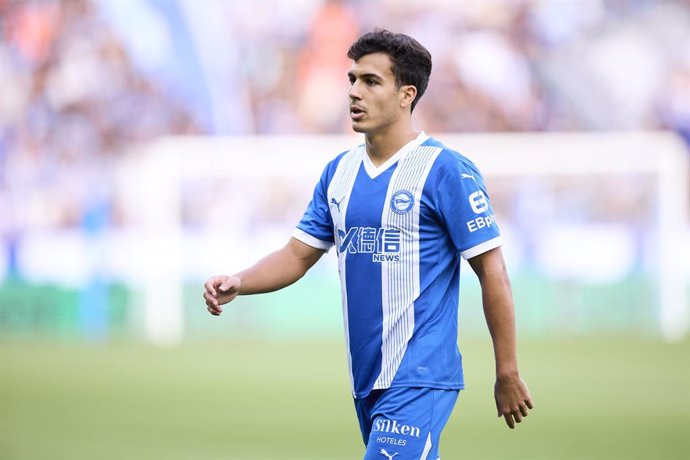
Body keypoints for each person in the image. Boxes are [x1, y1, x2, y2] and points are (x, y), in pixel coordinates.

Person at [203, 29, 533, 459]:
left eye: (371, 81)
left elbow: (493, 271)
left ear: (406, 94)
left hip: (420, 374)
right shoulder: (338, 173)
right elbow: (297, 255)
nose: (354, 92)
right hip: (367, 378)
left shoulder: (445, 170)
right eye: (352, 80)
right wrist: (240, 281)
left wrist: (506, 370)